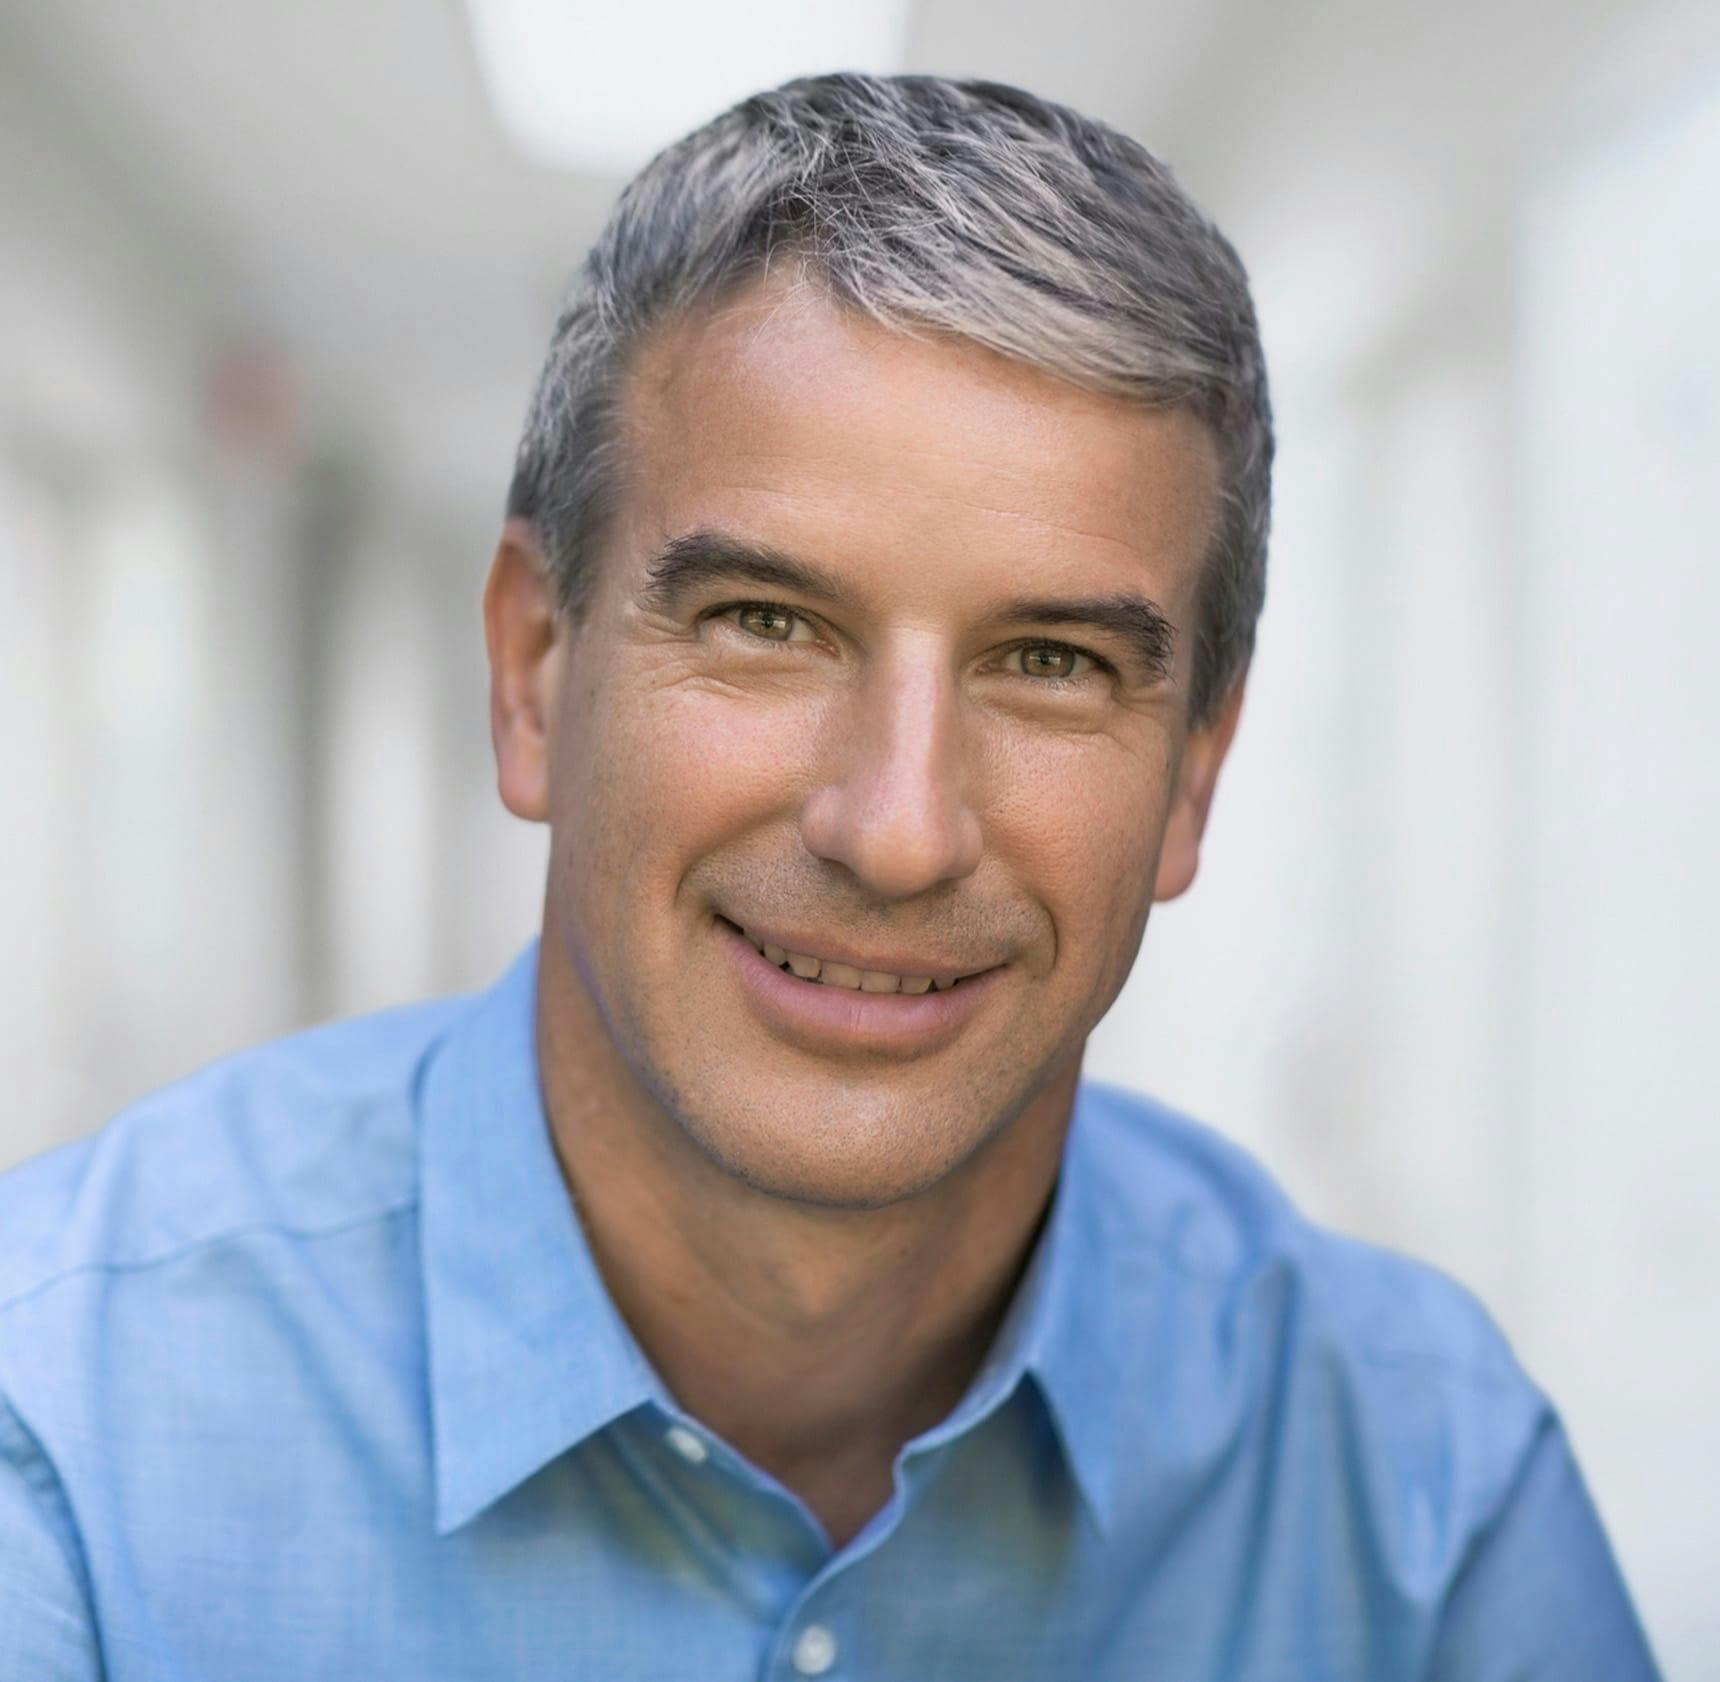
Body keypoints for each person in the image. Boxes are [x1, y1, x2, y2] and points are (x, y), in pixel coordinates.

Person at [0, 73, 1659, 1681]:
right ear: (531, 672)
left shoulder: (1422, 1486)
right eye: (767, 626)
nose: (899, 826)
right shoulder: (64, 1429)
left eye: (1053, 662)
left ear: (1194, 771)